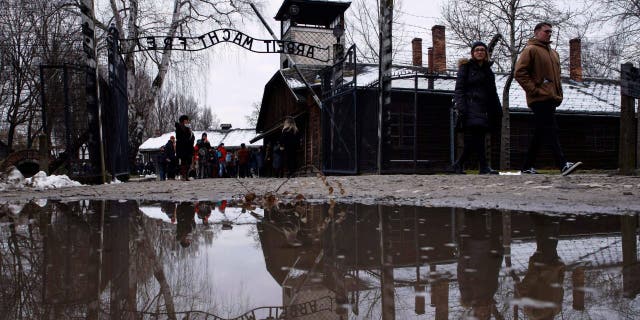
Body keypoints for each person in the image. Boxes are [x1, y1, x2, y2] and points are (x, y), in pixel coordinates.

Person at [515, 22, 582, 176]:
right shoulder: (530, 50)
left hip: (551, 98)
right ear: (537, 32)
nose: (549, 34)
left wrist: (559, 93)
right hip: (539, 99)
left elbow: (557, 77)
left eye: (551, 31)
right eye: (546, 31)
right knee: (551, 129)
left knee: (541, 131)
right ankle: (562, 164)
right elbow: (519, 73)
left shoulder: (553, 53)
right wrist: (535, 90)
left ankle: (526, 166)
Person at [451, 41, 502, 175]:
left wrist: (498, 109)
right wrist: (461, 107)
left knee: (476, 138)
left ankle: (459, 164)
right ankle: (483, 166)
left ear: (486, 53)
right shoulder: (466, 68)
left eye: (482, 50)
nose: (480, 52)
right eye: (477, 50)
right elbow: (459, 89)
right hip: (470, 106)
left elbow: (493, 92)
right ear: (473, 53)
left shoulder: (488, 71)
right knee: (477, 136)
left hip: (484, 108)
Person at [516, 213, 565, 319]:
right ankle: (541, 216)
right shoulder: (556, 311)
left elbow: (523, 290)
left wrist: (537, 272)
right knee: (549, 241)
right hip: (554, 266)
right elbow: (560, 289)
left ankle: (548, 215)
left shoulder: (533, 313)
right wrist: (560, 272)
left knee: (548, 241)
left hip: (542, 267)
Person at [457, 210, 504, 320]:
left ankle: (471, 207)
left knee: (475, 224)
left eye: (480, 315)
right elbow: (494, 272)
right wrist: (498, 256)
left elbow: (462, 275)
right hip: (489, 253)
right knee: (489, 226)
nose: (483, 312)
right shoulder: (490, 295)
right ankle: (488, 206)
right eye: (486, 315)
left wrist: (464, 257)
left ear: (475, 312)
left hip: (473, 254)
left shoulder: (468, 296)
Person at [175, 115, 195, 181]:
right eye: (186, 120)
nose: (188, 121)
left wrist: (191, 139)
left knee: (189, 162)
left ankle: (186, 175)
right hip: (182, 148)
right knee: (183, 162)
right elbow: (179, 138)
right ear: (183, 121)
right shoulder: (179, 128)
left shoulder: (188, 128)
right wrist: (187, 140)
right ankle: (183, 176)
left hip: (188, 148)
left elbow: (192, 137)